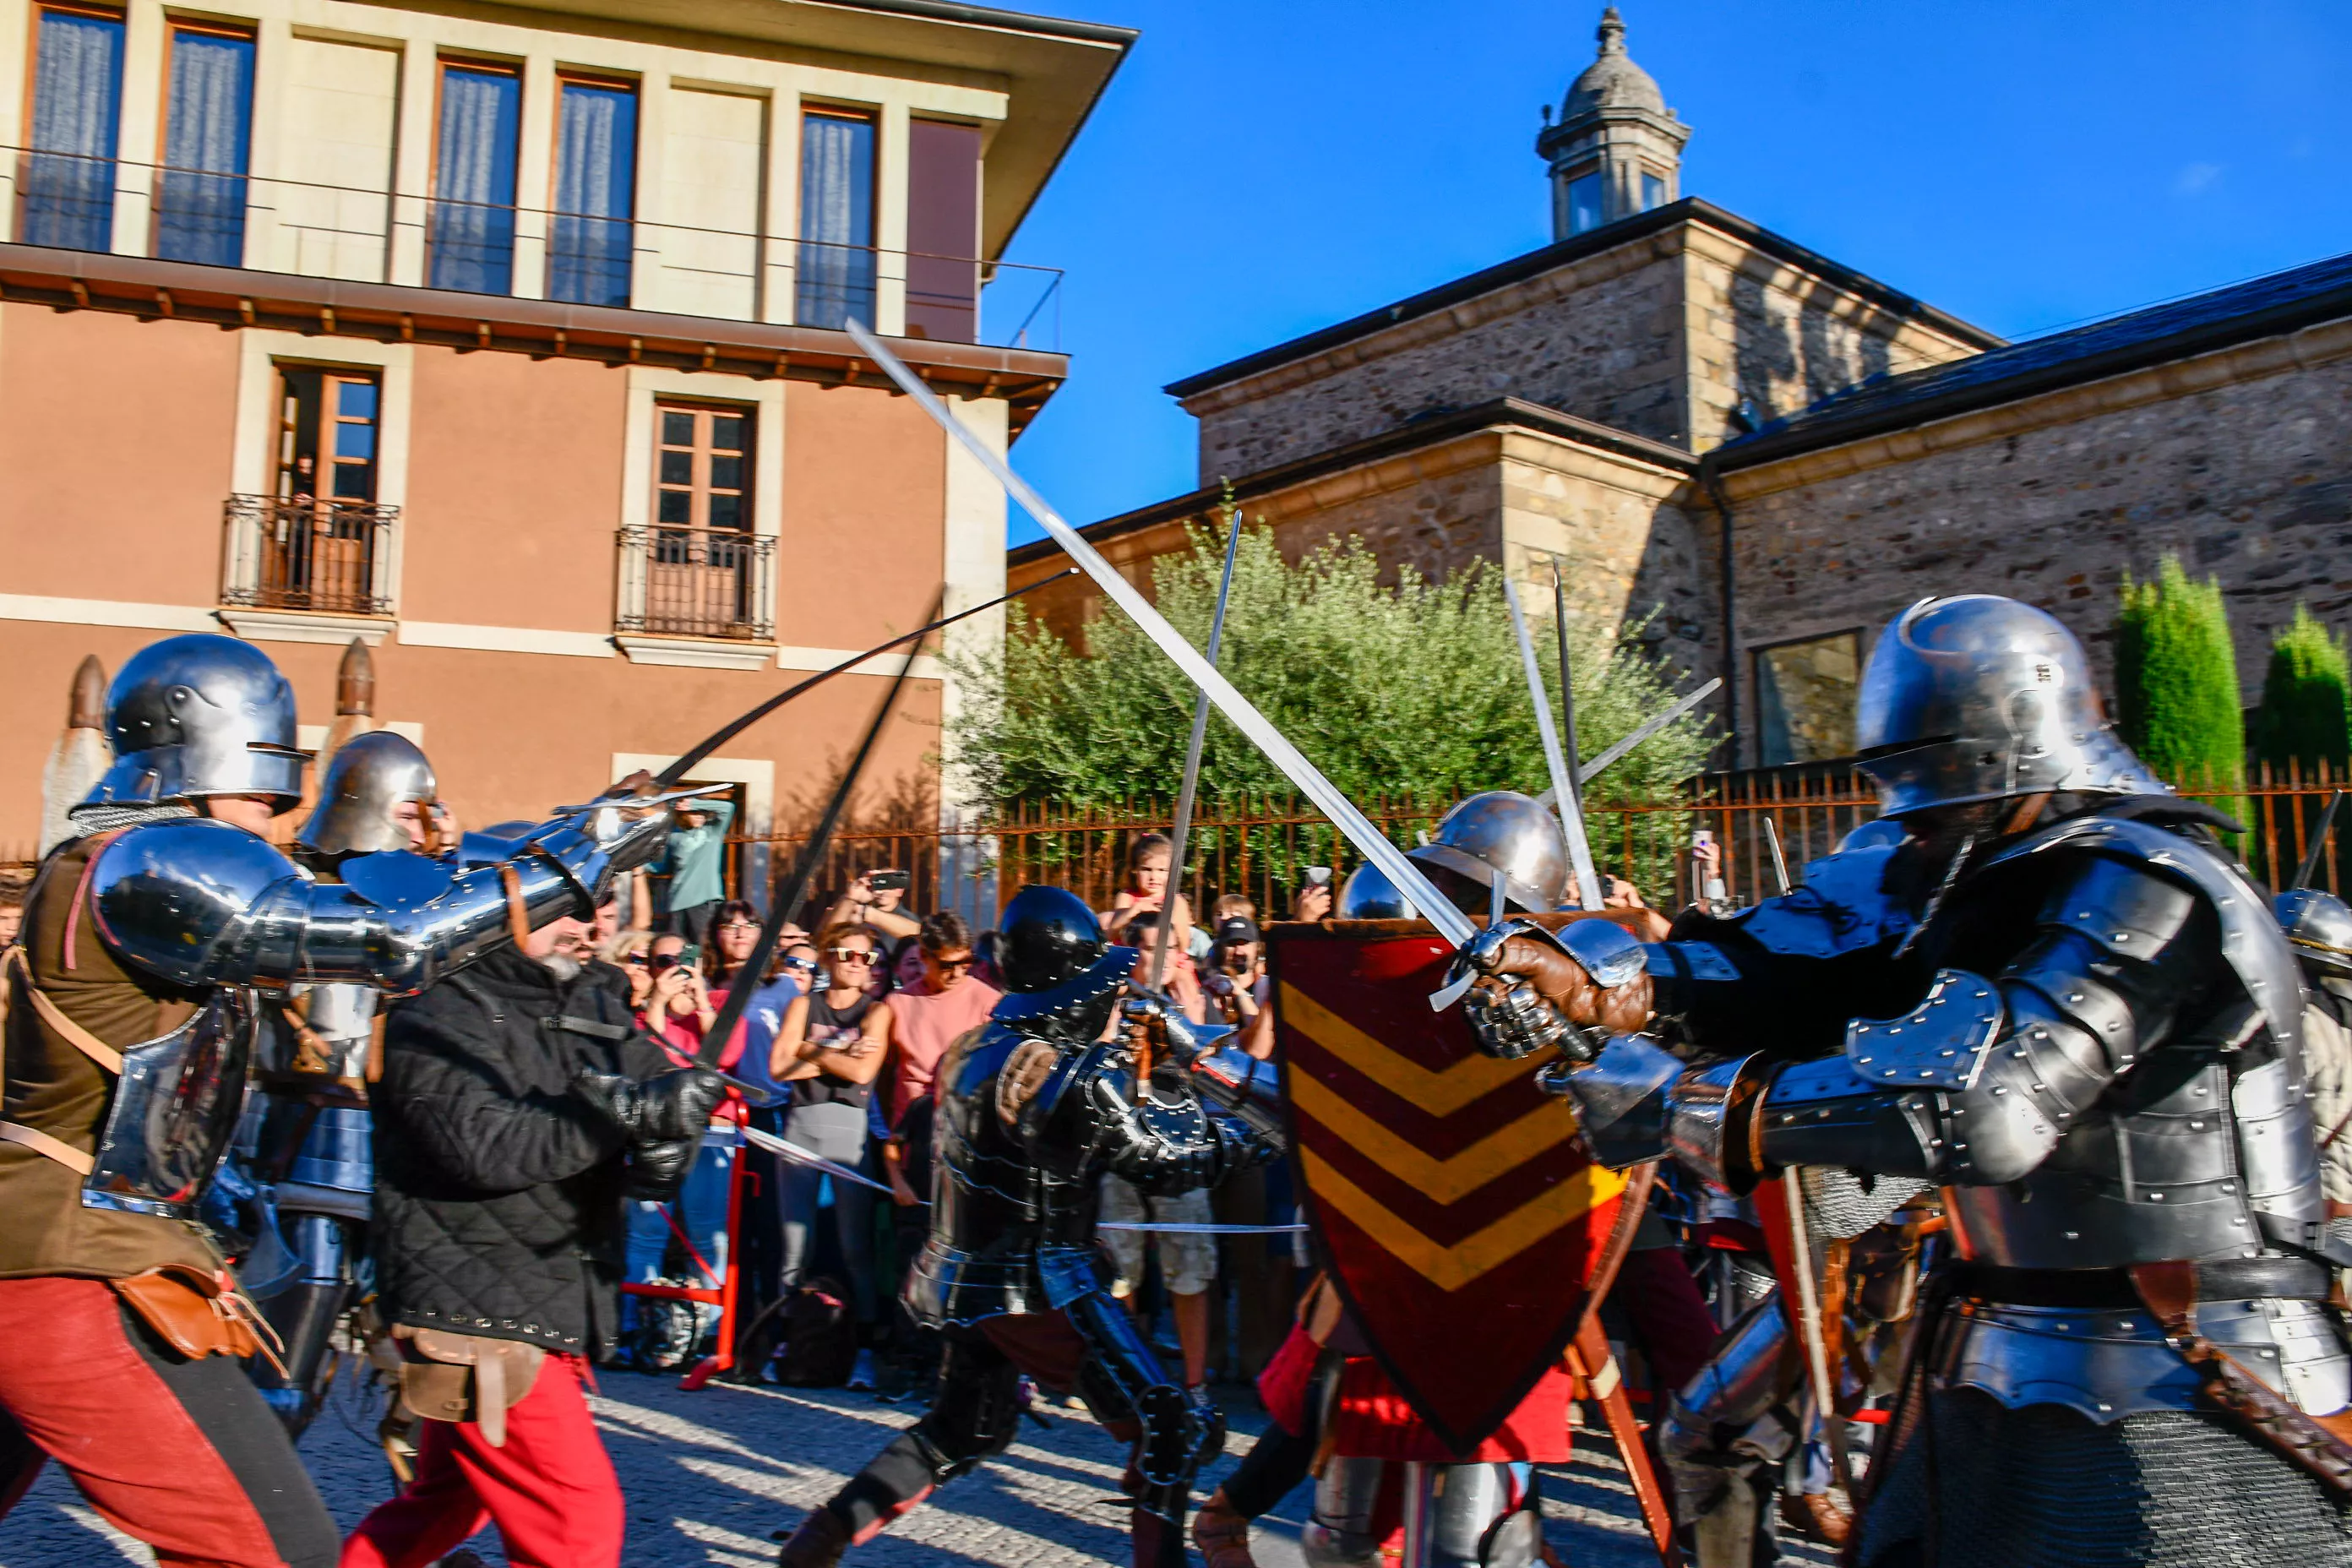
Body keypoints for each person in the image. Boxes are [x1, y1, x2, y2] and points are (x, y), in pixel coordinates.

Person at [1470, 594, 2352, 1567]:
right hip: (1996, 1346)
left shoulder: (2148, 880)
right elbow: (1799, 966)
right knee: (1722, 1442)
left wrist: (1693, 1104)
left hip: (2178, 1369)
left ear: (2006, 754)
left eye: (1935, 782)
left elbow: (1994, 1109)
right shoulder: (1987, 878)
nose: (1911, 820)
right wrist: (1608, 989)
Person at [0, 633, 667, 1568]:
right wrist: (570, 857)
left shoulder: (126, 861)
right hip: (76, 1264)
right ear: (199, 751)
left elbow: (373, 892)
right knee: (272, 1552)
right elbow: (391, 941)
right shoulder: (143, 863)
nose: (270, 815)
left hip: (74, 1246)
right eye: (257, 785)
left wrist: (551, 841)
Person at [772, 885, 1276, 1568]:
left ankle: (814, 1545)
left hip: (968, 1276)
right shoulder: (1055, 1073)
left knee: (961, 1430)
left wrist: (1153, 1065)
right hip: (1038, 1285)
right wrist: (1254, 1127)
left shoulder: (974, 1047)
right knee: (1175, 1427)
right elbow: (1166, 1162)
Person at [341, 901, 725, 1568]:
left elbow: (654, 1088)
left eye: (595, 911)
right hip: (476, 1302)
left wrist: (671, 1127)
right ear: (499, 915)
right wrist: (627, 1114)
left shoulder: (593, 1002)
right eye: (565, 910)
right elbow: (486, 1146)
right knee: (577, 1526)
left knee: (445, 1504)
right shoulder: (436, 1009)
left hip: (539, 1293)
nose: (589, 927)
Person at [237, 730, 443, 1436]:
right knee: (291, 1354)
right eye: (416, 811)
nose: (430, 827)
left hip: (392, 1147)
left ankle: (417, 1530)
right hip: (311, 1140)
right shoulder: (312, 904)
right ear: (379, 809)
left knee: (423, 1378)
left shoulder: (413, 909)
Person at [770, 923, 891, 1388]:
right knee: (792, 1246)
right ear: (827, 956)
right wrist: (836, 1048)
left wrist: (810, 1048)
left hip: (849, 1129)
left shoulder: (876, 1011)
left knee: (854, 1246)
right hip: (801, 1124)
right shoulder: (805, 1003)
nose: (856, 964)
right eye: (846, 954)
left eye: (866, 957)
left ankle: (861, 1348)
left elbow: (863, 1072)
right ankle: (788, 1338)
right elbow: (777, 1066)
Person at [656, 795, 736, 945]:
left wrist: (694, 804)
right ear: (683, 815)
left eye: (702, 812)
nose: (700, 815)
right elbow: (658, 867)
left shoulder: (713, 831)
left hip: (704, 902)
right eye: (694, 812)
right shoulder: (673, 838)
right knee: (676, 949)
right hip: (676, 903)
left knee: (705, 949)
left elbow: (728, 808)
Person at [823, 869, 922, 945]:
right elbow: (828, 940)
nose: (883, 892)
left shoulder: (908, 918)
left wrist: (865, 913)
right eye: (880, 884)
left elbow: (918, 935)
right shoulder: (854, 912)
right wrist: (850, 898)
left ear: (900, 891)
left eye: (890, 886)